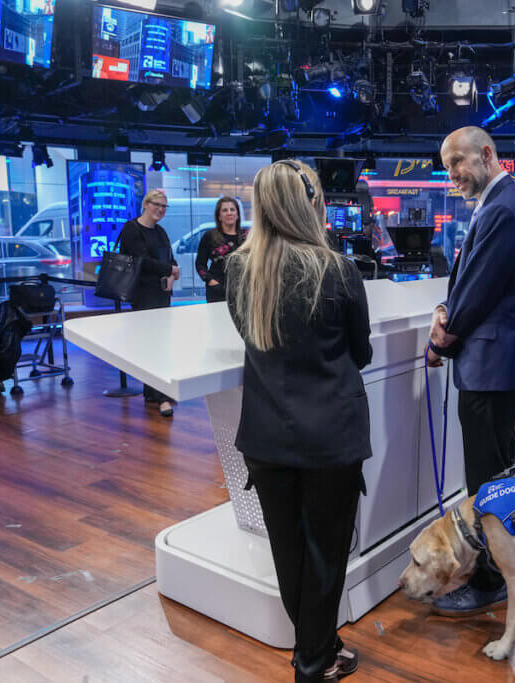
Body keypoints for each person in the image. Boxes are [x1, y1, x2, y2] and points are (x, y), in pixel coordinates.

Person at [225, 159, 371, 683]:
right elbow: (362, 351)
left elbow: (251, 335)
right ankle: (312, 664)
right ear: (312, 203)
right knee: (325, 555)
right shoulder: (338, 269)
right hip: (331, 436)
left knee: (289, 554)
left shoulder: (240, 270)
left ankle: (318, 646)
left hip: (265, 438)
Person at [426, 126, 515, 615]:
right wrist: (443, 309)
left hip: (489, 367)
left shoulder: (504, 209)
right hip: (493, 365)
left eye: (458, 162)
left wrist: (442, 336)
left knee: (488, 481)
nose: (452, 174)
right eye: (447, 165)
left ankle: (494, 579)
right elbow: (469, 284)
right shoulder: (501, 206)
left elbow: (473, 295)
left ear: (487, 154)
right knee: (502, 474)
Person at [118, 189, 179, 418]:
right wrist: (169, 269)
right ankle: (162, 396)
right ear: (146, 204)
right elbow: (141, 262)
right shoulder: (131, 229)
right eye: (156, 204)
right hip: (142, 295)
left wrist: (173, 272)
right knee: (152, 345)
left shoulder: (161, 232)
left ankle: (153, 392)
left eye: (164, 206)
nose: (160, 209)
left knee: (160, 344)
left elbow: (168, 258)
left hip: (162, 292)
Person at [196, 196, 248, 303]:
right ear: (219, 216)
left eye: (232, 209)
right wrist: (210, 281)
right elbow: (200, 264)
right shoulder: (210, 236)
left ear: (237, 214)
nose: (229, 213)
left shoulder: (246, 236)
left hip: (243, 291)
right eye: (225, 210)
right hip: (217, 292)